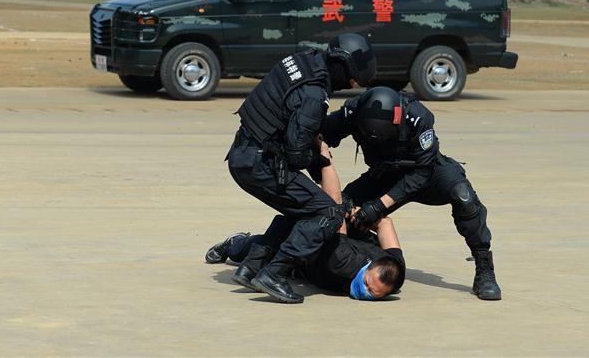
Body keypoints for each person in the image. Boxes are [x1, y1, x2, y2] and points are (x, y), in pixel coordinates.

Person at [226, 33, 375, 303]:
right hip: (261, 164)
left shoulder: (304, 61)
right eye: (352, 80)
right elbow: (296, 154)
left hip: (244, 155)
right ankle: (275, 273)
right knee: (328, 213)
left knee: (306, 209)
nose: (348, 86)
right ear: (343, 67)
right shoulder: (314, 95)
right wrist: (321, 156)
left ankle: (250, 268)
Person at [321, 86, 502, 300]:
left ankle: (484, 269)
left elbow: (421, 174)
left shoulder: (418, 117)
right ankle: (337, 257)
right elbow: (323, 134)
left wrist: (378, 207)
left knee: (464, 196)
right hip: (385, 173)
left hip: (427, 173)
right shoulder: (355, 109)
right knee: (340, 206)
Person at [209, 138, 405, 300]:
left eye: (373, 294)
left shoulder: (394, 271)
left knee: (277, 252)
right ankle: (233, 244)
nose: (365, 292)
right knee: (258, 247)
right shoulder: (344, 261)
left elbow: (385, 225)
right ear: (368, 268)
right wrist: (325, 157)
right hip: (312, 237)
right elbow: (334, 207)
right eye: (367, 284)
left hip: (305, 262)